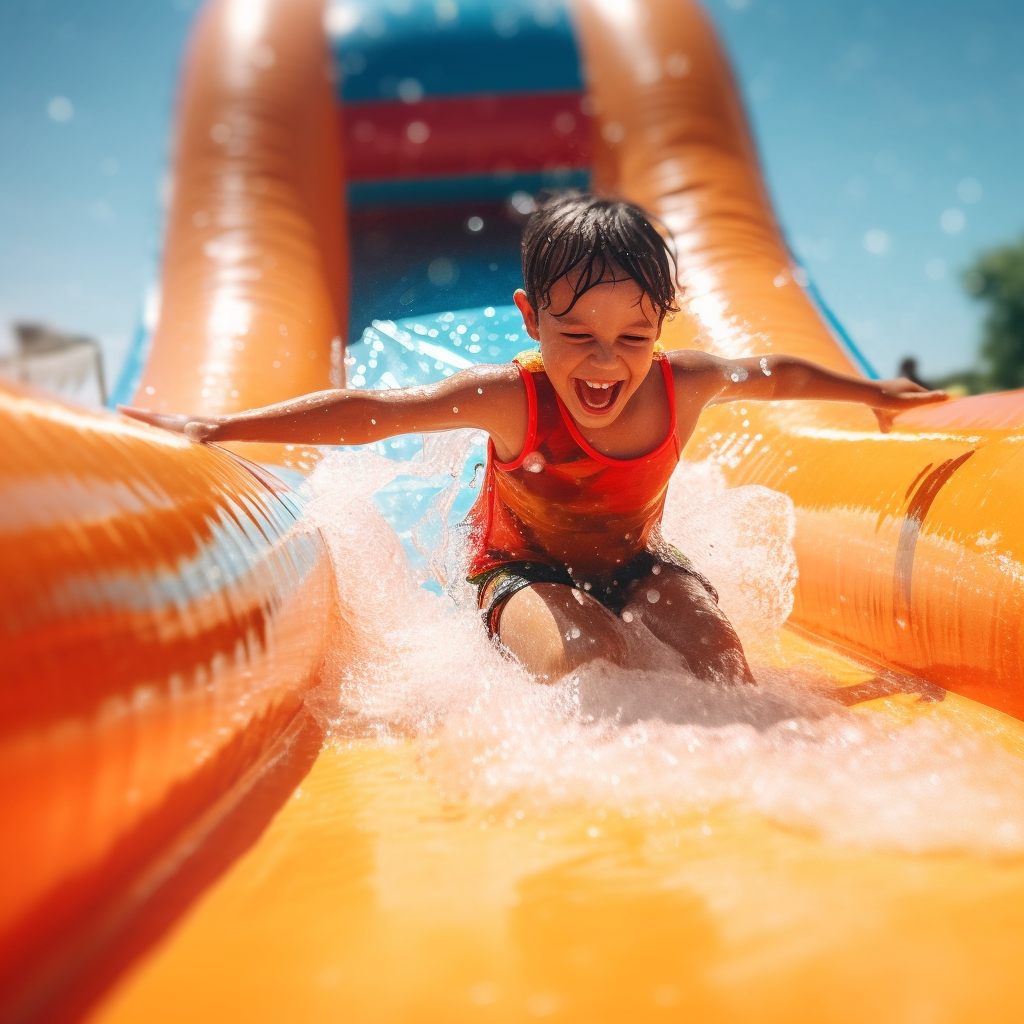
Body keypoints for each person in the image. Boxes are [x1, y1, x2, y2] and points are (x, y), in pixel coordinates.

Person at [121, 193, 947, 685]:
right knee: (588, 661)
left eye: (632, 336)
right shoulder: (510, 399)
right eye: (576, 333)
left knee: (723, 660)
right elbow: (376, 409)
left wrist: (874, 392)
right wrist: (223, 425)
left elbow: (778, 375)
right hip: (519, 570)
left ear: (661, 327)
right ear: (530, 317)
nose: (603, 362)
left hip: (638, 562)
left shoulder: (682, 382)